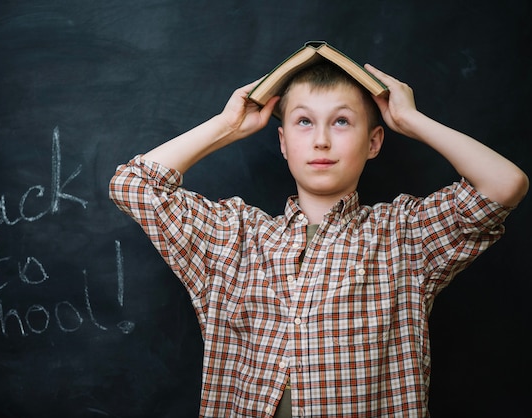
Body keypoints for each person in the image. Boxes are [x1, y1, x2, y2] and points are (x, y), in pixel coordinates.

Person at [109, 57, 528, 417]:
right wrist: (227, 126)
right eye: (304, 122)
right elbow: (133, 185)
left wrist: (410, 120)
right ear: (283, 142)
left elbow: (504, 185)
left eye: (342, 121)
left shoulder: (404, 235)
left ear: (374, 141)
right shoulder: (232, 236)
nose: (322, 140)